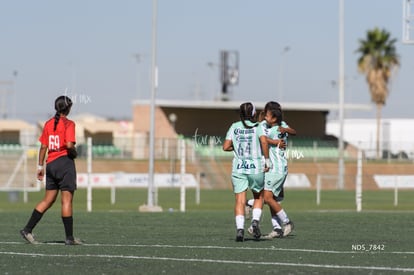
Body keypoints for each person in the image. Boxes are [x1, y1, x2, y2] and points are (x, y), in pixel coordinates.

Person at [20, 95, 82, 245]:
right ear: (68, 109)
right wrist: (75, 153)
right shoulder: (69, 124)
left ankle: (27, 229)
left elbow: (43, 147)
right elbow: (68, 145)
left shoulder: (48, 124)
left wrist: (40, 166)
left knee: (47, 200)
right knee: (66, 201)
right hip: (64, 163)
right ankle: (69, 238)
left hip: (51, 164)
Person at [223, 102, 271, 242]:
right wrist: (267, 160)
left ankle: (240, 230)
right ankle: (255, 222)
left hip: (239, 167)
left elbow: (225, 147)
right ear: (253, 113)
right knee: (259, 196)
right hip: (255, 166)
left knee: (240, 200)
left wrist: (237, 148)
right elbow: (264, 143)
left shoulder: (234, 126)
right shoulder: (258, 127)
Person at [247, 101, 296, 238]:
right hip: (275, 167)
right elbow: (263, 138)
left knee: (266, 197)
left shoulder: (279, 127)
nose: (266, 116)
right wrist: (275, 142)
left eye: (268, 114)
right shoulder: (264, 125)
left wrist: (284, 131)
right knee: (272, 199)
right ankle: (277, 228)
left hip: (275, 168)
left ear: (273, 117)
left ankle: (287, 222)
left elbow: (264, 140)